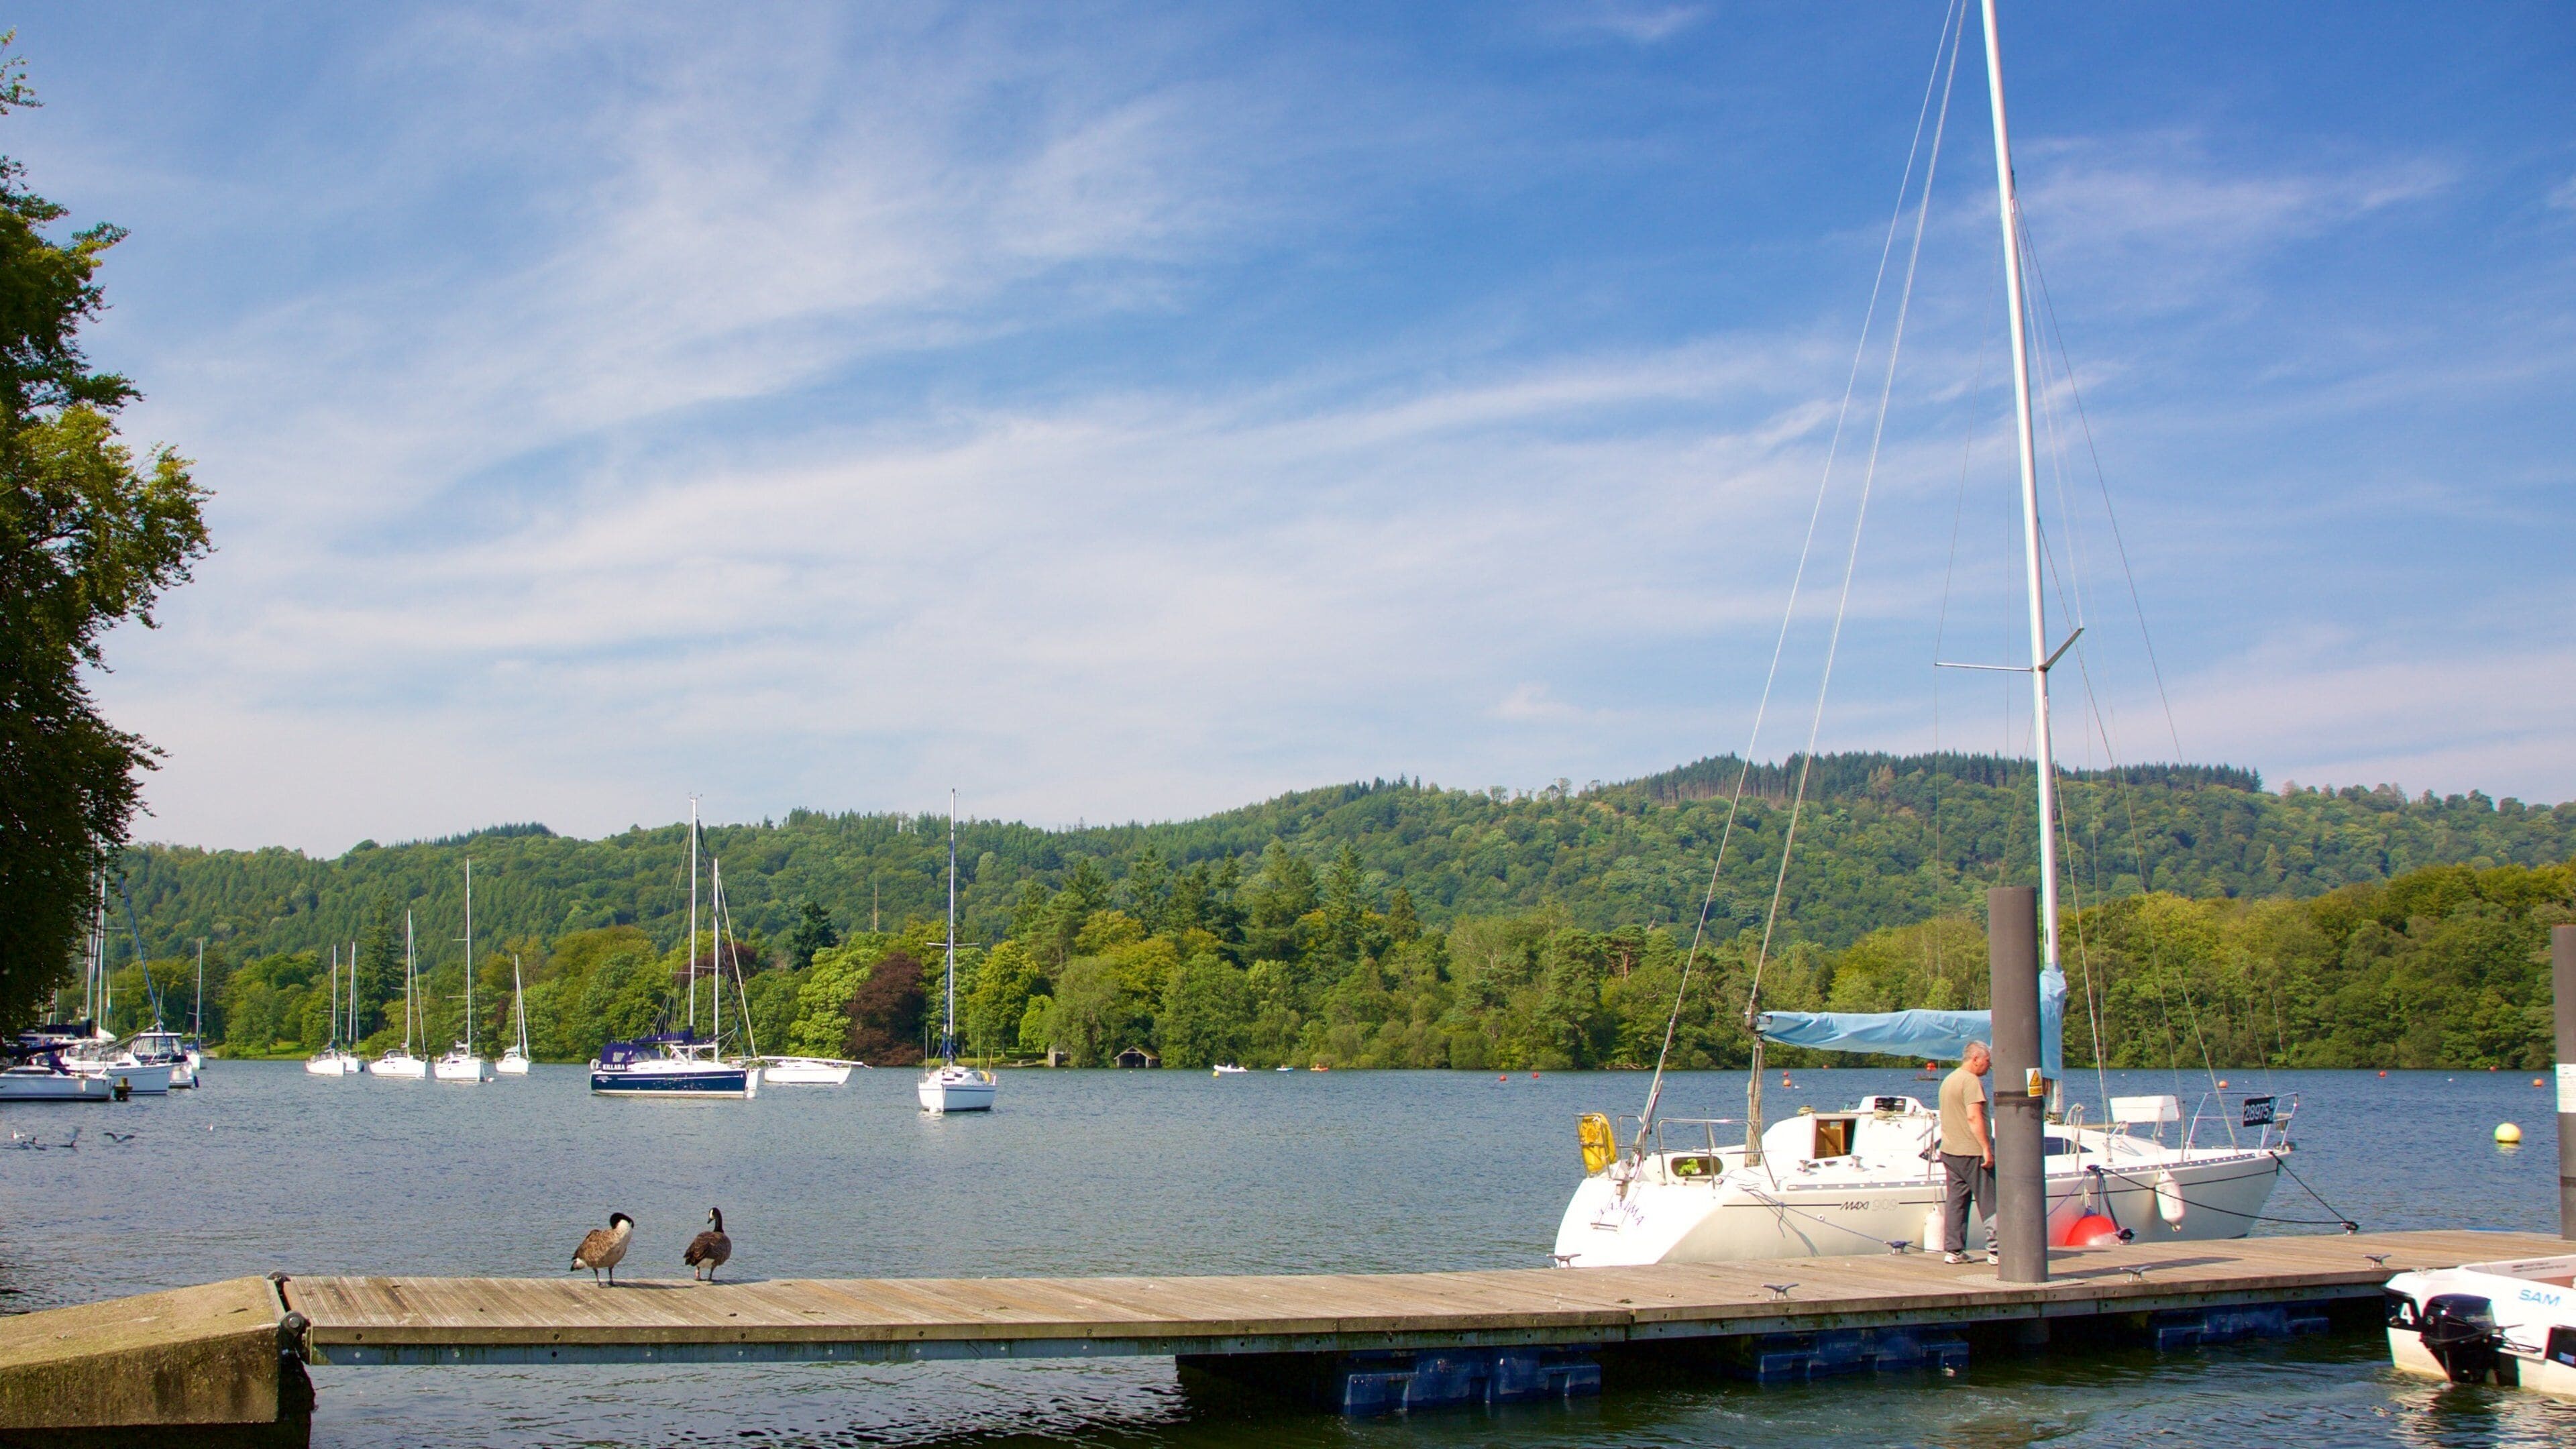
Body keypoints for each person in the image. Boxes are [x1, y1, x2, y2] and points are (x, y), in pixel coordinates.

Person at [1938, 1042, 1995, 1265]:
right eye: (1987, 1061)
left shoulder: (1950, 1079)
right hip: (1971, 1151)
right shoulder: (1971, 1082)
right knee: (1989, 1199)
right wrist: (1986, 1148)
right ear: (1976, 1059)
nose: (1989, 1066)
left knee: (1956, 1201)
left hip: (1950, 1151)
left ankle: (1954, 1250)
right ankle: (1997, 1250)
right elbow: (1974, 1117)